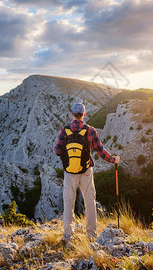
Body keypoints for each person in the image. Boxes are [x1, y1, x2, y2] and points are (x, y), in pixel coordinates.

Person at [54, 103, 120, 241]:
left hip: (70, 172)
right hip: (86, 171)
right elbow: (101, 151)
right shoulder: (90, 130)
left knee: (68, 202)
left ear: (72, 114)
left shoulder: (65, 130)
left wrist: (69, 156)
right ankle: (91, 235)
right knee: (89, 201)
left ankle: (69, 235)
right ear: (84, 114)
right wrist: (113, 159)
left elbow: (57, 151)